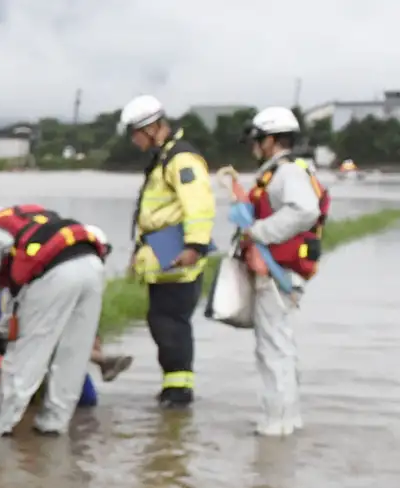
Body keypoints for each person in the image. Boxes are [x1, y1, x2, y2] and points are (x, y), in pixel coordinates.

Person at [0, 195, 108, 436]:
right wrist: (2, 329)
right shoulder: (26, 220)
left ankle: (0, 428)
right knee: (73, 355)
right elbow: (17, 295)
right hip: (92, 265)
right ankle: (53, 426)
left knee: (27, 356)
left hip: (55, 274)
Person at [232, 106, 327, 435]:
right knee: (279, 346)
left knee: (272, 348)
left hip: (277, 272)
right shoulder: (287, 170)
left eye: (258, 140)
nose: (254, 147)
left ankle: (276, 423)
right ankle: (287, 418)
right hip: (280, 270)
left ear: (271, 140)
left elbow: (304, 210)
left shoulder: (287, 173)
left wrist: (258, 232)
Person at [119, 94, 217, 408]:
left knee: (171, 323)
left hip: (179, 255)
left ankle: (178, 393)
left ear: (152, 128)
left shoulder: (181, 159)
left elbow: (199, 206)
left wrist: (195, 246)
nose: (135, 142)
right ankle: (173, 389)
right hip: (163, 254)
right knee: (162, 321)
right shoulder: (164, 159)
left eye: (136, 134)